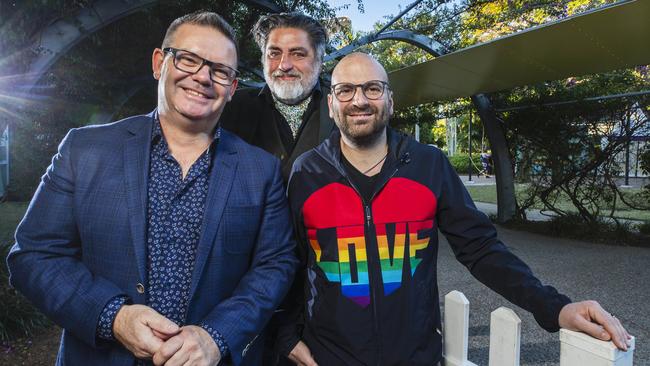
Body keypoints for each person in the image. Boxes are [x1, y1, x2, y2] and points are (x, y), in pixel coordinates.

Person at [278, 52, 631, 365]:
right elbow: (286, 262)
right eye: (346, 90)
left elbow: (481, 249)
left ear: (390, 100)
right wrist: (286, 336)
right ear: (331, 103)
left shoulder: (428, 165)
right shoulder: (306, 172)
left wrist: (554, 307)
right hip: (328, 357)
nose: (359, 100)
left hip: (416, 357)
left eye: (372, 88)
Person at [7, 11, 297, 366]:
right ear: (160, 63)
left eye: (220, 71)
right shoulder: (85, 150)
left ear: (232, 87)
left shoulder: (260, 169)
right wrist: (113, 317)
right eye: (188, 59)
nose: (203, 77)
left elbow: (275, 264)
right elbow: (34, 256)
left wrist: (216, 335)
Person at [220, 12, 335, 180]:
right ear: (263, 60)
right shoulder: (230, 106)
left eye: (298, 54)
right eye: (274, 53)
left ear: (319, 60)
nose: (284, 65)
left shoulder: (346, 107)